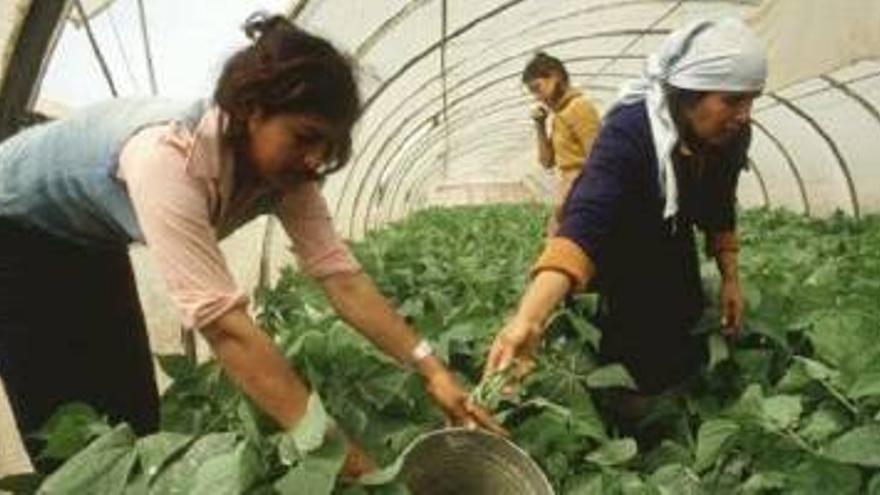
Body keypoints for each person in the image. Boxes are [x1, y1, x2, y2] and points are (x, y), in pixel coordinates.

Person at [0, 14, 501, 474]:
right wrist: (343, 460)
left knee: (133, 417)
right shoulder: (167, 160)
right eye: (304, 137)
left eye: (327, 147)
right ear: (251, 109)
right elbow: (227, 329)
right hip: (13, 228)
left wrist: (431, 368)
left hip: (88, 235)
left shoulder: (287, 177)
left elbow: (341, 278)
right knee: (68, 440)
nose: (314, 160)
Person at [485, 18, 766, 428]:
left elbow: (720, 206)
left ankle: (675, 417)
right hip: (622, 242)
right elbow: (587, 221)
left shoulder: (732, 135)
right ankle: (623, 421)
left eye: (751, 100)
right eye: (732, 100)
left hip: (673, 236)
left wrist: (730, 279)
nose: (744, 115)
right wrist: (528, 317)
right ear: (689, 95)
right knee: (631, 335)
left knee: (684, 314)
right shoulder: (631, 131)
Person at [522, 52, 601, 235]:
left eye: (537, 88)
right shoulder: (560, 115)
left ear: (555, 76)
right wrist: (540, 126)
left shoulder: (580, 107)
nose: (537, 97)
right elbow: (547, 162)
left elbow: (597, 160)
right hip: (567, 192)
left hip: (581, 195)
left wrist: (574, 198)